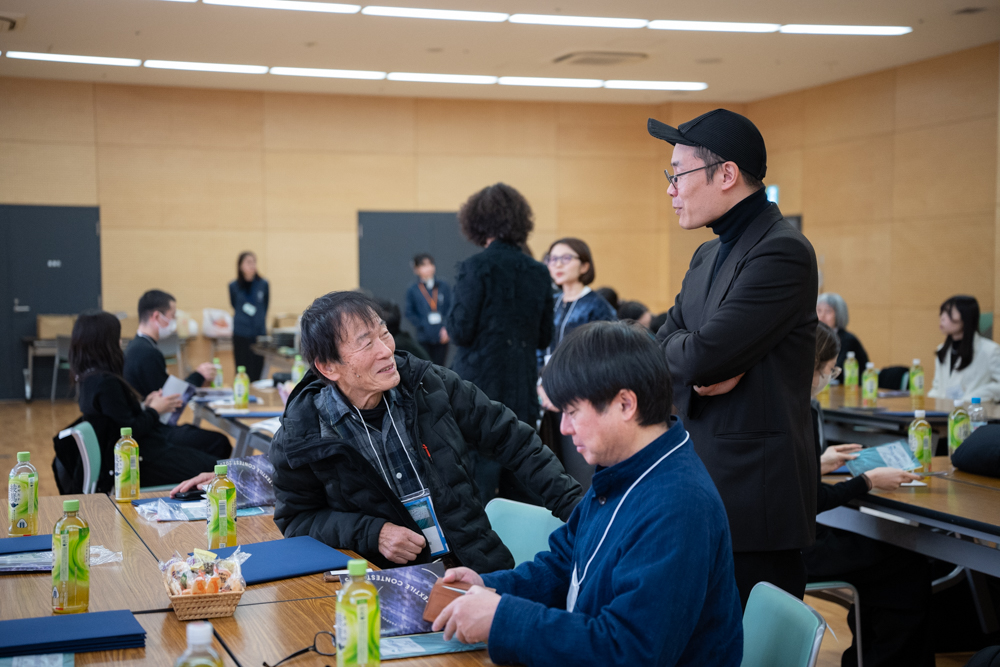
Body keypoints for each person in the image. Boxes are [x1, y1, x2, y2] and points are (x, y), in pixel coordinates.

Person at [430, 322, 743, 666]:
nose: (565, 428)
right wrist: (490, 587)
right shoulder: (625, 466)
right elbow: (568, 563)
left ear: (625, 404)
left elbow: (629, 652)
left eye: (572, 411)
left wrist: (502, 617)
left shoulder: (678, 506)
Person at [269, 291, 581, 572]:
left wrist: (577, 507)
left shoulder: (429, 385)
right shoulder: (304, 435)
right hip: (387, 581)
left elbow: (513, 439)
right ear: (328, 367)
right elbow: (297, 520)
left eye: (384, 333)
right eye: (366, 342)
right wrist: (372, 533)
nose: (386, 350)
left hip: (473, 566)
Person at [648, 108, 819, 607]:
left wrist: (699, 356)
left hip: (754, 505)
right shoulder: (707, 254)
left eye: (678, 174)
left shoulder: (782, 251)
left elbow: (701, 358)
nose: (671, 190)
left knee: (746, 642)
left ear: (725, 174)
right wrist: (699, 357)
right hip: (698, 485)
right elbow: (663, 347)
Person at [806, 322, 933, 667]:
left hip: (781, 542)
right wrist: (868, 481)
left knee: (885, 558)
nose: (830, 378)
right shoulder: (799, 411)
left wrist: (819, 463)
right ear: (814, 368)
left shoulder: (778, 405)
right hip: (800, 549)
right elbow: (811, 499)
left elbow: (787, 482)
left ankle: (865, 657)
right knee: (907, 562)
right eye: (830, 371)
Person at [447, 183, 555, 504]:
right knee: (519, 469)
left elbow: (460, 331)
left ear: (475, 222)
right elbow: (544, 337)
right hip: (521, 388)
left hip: (477, 388)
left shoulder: (474, 267)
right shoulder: (539, 272)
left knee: (475, 477)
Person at [70, 311, 231, 486]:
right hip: (138, 459)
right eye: (117, 337)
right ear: (105, 342)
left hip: (140, 451)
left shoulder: (88, 379)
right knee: (216, 471)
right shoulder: (106, 383)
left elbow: (117, 418)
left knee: (211, 458)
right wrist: (155, 410)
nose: (120, 342)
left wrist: (144, 406)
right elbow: (129, 431)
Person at [537, 237, 616, 491]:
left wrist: (562, 390)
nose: (557, 264)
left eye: (565, 258)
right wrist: (542, 386)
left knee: (580, 472)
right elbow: (539, 348)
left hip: (580, 396)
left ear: (584, 266)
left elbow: (601, 357)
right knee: (552, 470)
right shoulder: (550, 303)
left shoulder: (597, 306)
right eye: (552, 259)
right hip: (546, 396)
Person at [124, 289, 217, 398]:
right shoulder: (147, 352)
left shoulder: (134, 346)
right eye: (172, 316)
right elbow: (168, 398)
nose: (174, 321)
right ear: (157, 317)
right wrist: (199, 375)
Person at [929, 295, 1000, 402]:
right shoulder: (942, 349)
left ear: (966, 316)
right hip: (943, 410)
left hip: (974, 409)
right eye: (942, 313)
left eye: (949, 313)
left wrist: (979, 395)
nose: (942, 318)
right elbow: (937, 386)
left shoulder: (990, 351)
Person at [404, 253, 451, 366]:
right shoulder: (413, 290)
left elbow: (450, 308)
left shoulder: (443, 286)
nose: (428, 268)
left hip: (441, 335)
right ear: (416, 269)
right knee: (426, 366)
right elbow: (409, 312)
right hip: (424, 337)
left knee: (441, 367)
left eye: (430, 264)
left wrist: (447, 327)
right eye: (423, 265)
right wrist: (423, 324)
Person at [229, 251, 269, 381]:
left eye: (254, 262)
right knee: (242, 369)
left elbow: (265, 306)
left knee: (257, 370)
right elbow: (234, 304)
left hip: (258, 333)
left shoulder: (263, 284)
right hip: (241, 333)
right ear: (240, 266)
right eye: (248, 262)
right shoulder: (233, 286)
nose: (252, 265)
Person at [816, 293, 869, 373]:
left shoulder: (848, 340)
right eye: (819, 310)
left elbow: (836, 370)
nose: (822, 316)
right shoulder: (815, 337)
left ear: (839, 315)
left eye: (828, 311)